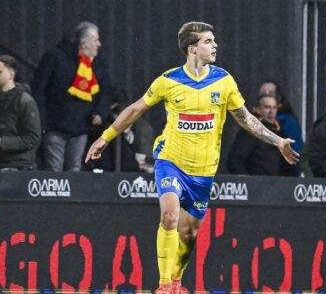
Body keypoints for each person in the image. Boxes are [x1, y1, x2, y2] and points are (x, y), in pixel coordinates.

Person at [85, 21, 299, 294]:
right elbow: (136, 108)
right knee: (170, 216)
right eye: (208, 41)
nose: (215, 45)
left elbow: (246, 119)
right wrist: (105, 137)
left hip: (203, 171)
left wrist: (278, 140)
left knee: (189, 233)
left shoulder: (224, 81)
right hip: (170, 161)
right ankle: (163, 285)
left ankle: (175, 279)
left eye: (213, 40)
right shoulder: (168, 81)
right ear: (192, 48)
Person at [32, 21, 111, 172]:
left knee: (75, 170)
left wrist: (101, 112)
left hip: (81, 127)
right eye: (95, 40)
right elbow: (39, 89)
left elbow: (105, 90)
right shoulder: (55, 57)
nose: (99, 44)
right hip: (54, 126)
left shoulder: (98, 64)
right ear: (83, 43)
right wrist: (42, 121)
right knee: (53, 171)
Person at [227, 94, 294, 176]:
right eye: (267, 107)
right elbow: (235, 160)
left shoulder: (280, 133)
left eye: (274, 107)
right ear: (258, 110)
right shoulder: (249, 132)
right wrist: (247, 181)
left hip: (275, 185)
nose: (271, 111)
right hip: (253, 185)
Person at [0, 55, 42, 171]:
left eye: (0, 72)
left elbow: (33, 138)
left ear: (11, 74)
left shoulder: (24, 101)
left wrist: (2, 143)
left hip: (16, 164)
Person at [259, 79, 303, 176]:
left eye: (270, 93)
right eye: (263, 93)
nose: (266, 95)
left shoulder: (288, 122)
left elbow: (295, 154)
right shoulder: (252, 120)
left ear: (278, 98)